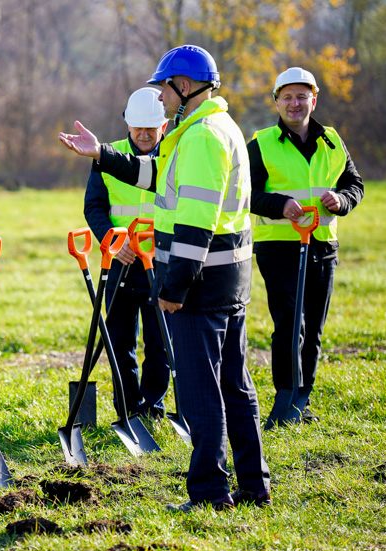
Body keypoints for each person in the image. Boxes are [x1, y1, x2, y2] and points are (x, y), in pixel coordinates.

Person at [59, 45, 271, 511]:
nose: (158, 97)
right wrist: (102, 154)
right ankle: (255, 487)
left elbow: (196, 221)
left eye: (162, 87)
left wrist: (173, 289)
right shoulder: (208, 129)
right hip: (227, 279)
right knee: (235, 385)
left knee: (200, 394)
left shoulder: (201, 138)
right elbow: (156, 174)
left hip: (199, 285)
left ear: (185, 85)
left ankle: (211, 494)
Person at [249, 67, 363, 429]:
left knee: (312, 328)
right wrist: (279, 205)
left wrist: (342, 200)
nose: (295, 104)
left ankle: (303, 399)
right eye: (288, 97)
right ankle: (285, 397)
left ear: (314, 100)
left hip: (323, 246)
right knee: (289, 326)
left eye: (302, 97)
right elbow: (245, 194)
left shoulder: (332, 141)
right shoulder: (262, 143)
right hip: (279, 248)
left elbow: (354, 183)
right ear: (276, 102)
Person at [82, 87, 170, 420]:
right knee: (120, 342)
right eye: (139, 127)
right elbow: (94, 207)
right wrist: (112, 242)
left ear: (164, 126)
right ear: (127, 125)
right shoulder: (106, 156)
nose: (145, 134)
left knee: (160, 343)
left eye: (152, 127)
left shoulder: (175, 157)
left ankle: (153, 406)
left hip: (162, 262)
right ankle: (128, 408)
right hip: (120, 262)